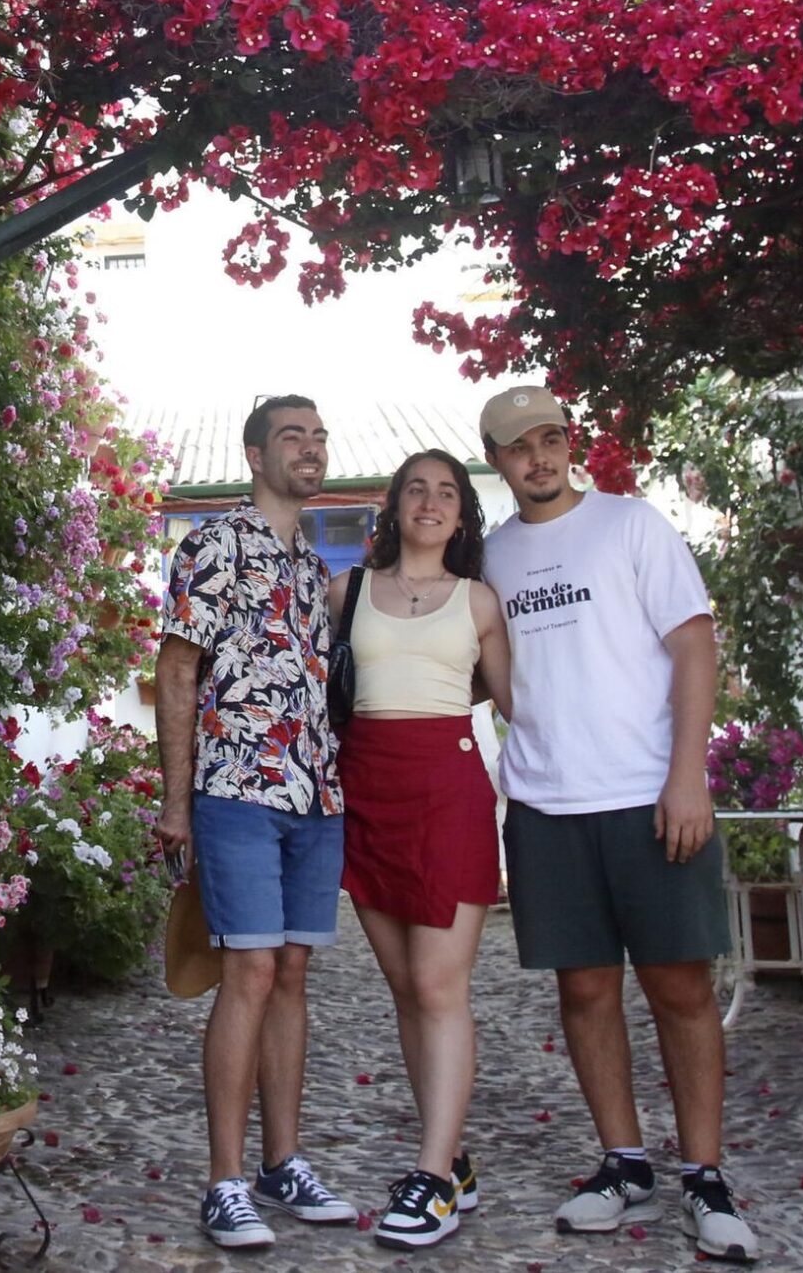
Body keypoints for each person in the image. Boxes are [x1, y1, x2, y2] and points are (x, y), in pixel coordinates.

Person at [478, 387, 758, 1263]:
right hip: (546, 804)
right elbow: (479, 671)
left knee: (681, 988)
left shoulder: (634, 526)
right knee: (585, 991)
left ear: (572, 443)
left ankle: (705, 1176)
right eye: (519, 446)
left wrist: (689, 777)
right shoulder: (491, 558)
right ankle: (623, 1161)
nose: (540, 456)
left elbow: (694, 644)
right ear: (497, 459)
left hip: (647, 794)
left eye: (552, 438)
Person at [155, 395, 357, 1249]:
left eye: (317, 437)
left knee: (293, 978)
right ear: (253, 454)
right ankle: (225, 1181)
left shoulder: (314, 568)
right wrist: (174, 801)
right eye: (291, 437)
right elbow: (176, 669)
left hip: (316, 797)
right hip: (236, 788)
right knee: (249, 974)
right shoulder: (212, 544)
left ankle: (284, 1163)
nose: (309, 450)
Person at [327, 448, 511, 1249]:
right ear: (393, 507)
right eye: (416, 490)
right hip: (366, 791)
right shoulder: (348, 591)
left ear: (462, 514)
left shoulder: (478, 601)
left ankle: (432, 1179)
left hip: (448, 792)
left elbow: (506, 698)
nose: (430, 503)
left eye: (446, 493)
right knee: (408, 988)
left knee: (439, 984)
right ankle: (454, 1154)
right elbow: (325, 688)